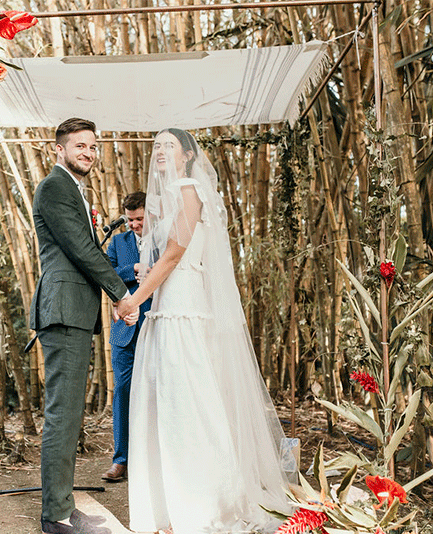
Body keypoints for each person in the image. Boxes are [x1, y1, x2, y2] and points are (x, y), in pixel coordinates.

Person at [115, 129, 295, 533]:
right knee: (168, 404)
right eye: (156, 145)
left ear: (189, 154)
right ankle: (171, 502)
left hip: (182, 312)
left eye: (169, 145)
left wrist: (135, 299)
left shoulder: (190, 189)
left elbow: (176, 254)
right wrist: (144, 286)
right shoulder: (167, 199)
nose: (160, 151)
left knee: (189, 403)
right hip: (167, 308)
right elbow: (168, 257)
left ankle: (205, 502)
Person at [29, 118, 138, 534]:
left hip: (75, 308)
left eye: (93, 146)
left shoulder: (75, 189)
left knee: (70, 414)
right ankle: (55, 516)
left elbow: (88, 249)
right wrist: (119, 294)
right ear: (59, 149)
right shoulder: (55, 187)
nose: (88, 152)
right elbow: (81, 249)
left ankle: (64, 505)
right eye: (80, 145)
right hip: (63, 308)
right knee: (63, 413)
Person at [101, 192, 152, 483]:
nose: (133, 224)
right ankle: (121, 460)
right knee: (122, 391)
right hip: (124, 331)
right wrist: (131, 269)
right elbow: (105, 272)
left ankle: (153, 459)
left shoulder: (164, 240)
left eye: (139, 219)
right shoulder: (118, 242)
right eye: (130, 219)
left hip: (156, 325)